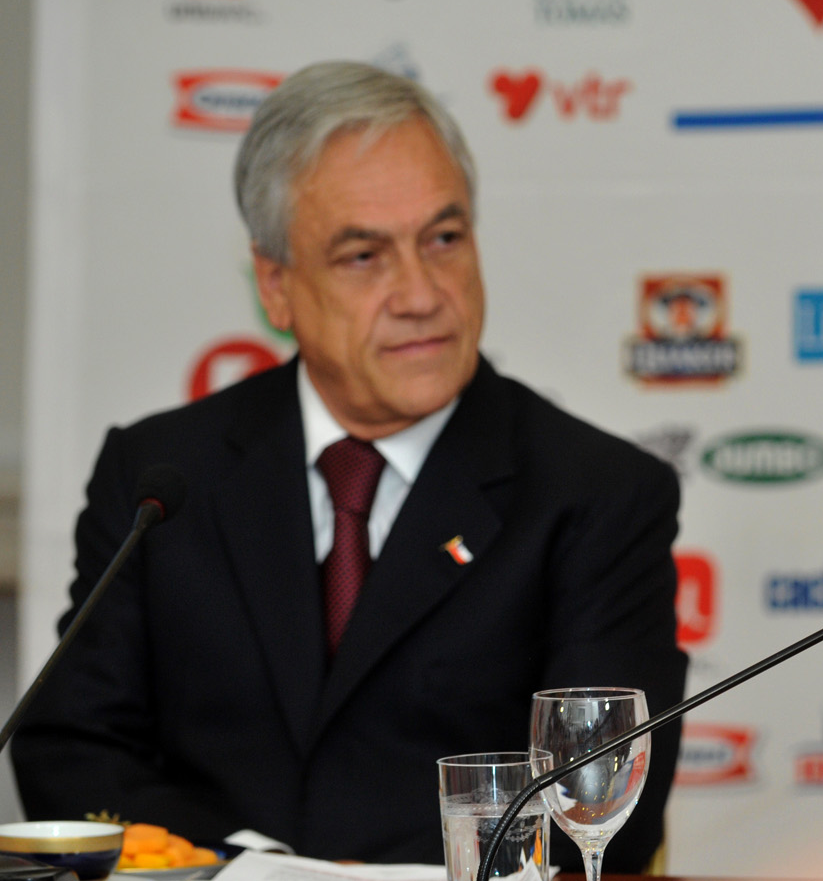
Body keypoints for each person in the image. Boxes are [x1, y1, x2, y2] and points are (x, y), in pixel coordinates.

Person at [11, 61, 687, 871]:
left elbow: (604, 812)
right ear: (276, 286)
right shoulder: (159, 476)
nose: (421, 293)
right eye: (364, 256)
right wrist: (253, 869)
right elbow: (72, 752)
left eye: (443, 239)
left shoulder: (597, 494)